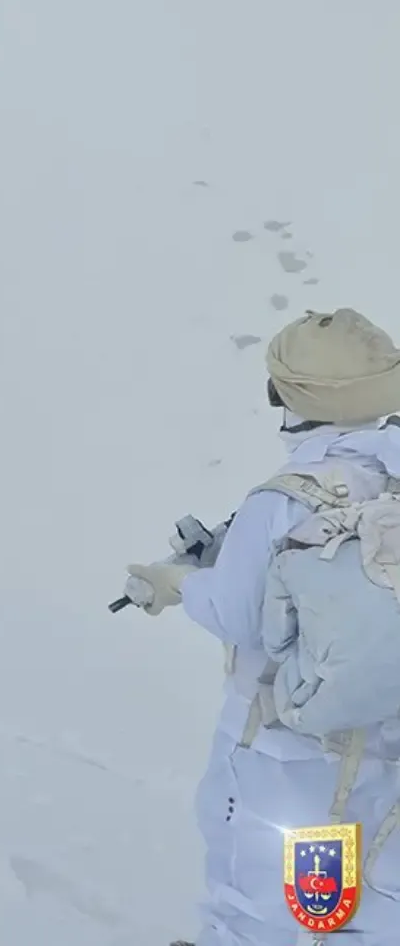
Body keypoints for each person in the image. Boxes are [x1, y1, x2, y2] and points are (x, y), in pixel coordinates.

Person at [122, 308, 400, 946]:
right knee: (358, 893)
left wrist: (176, 583)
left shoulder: (288, 496)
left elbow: (239, 614)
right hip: (379, 738)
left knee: (259, 889)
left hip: (287, 749)